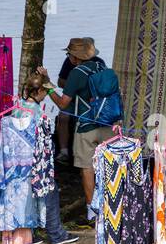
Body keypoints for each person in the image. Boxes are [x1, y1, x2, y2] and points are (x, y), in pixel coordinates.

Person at [38, 37, 119, 220]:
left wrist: (48, 87)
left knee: (87, 167)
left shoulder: (77, 73)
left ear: (75, 57)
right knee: (108, 166)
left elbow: (62, 104)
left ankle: (92, 211)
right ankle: (113, 205)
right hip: (108, 125)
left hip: (86, 128)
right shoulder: (103, 69)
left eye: (69, 54)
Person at [20, 71, 78, 244]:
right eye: (45, 92)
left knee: (29, 197)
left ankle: (31, 232)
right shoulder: (38, 115)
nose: (46, 95)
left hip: (21, 164)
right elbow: (43, 144)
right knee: (50, 194)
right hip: (38, 164)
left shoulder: (18, 108)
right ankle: (56, 234)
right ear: (38, 92)